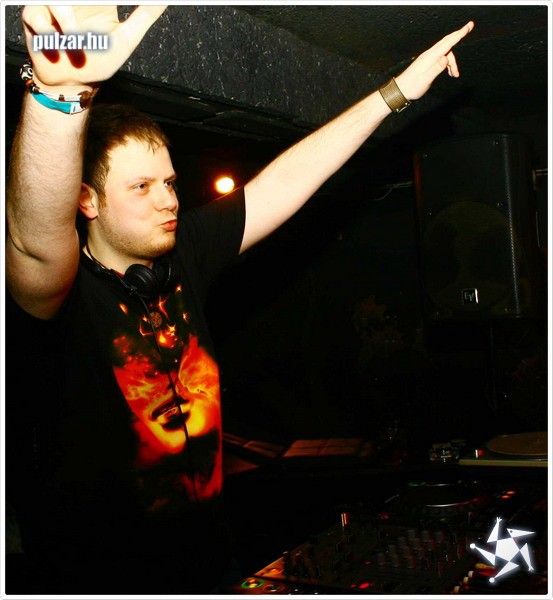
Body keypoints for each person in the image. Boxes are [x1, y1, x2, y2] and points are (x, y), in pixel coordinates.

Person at [4, 4, 474, 595]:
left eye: (169, 182)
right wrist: (59, 97)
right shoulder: (60, 296)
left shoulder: (183, 252)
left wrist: (394, 93)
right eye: (141, 187)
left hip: (211, 564)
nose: (168, 200)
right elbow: (33, 239)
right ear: (88, 201)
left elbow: (285, 181)